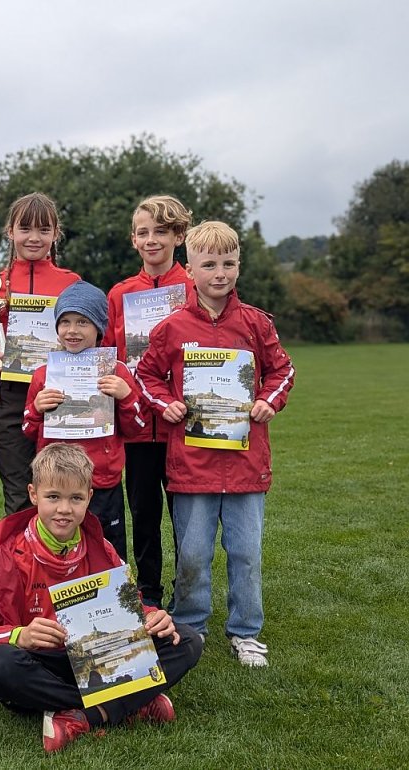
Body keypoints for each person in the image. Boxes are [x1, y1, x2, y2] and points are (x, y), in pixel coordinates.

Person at [0, 443, 203, 753]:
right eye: (53, 497)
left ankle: (82, 716)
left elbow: (129, 604)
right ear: (33, 494)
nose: (64, 509)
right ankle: (133, 701)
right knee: (0, 666)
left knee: (186, 640)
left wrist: (151, 616)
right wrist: (20, 635)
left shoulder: (101, 547)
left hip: (98, 654)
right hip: (45, 662)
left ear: (89, 497)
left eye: (75, 498)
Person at [136, 221, 295, 668]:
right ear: (190, 269)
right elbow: (146, 375)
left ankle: (246, 632)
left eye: (228, 263)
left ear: (239, 265)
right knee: (193, 553)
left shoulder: (256, 323)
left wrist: (267, 401)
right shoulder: (171, 328)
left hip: (247, 465)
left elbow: (283, 371)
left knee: (246, 553)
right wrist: (166, 404)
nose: (220, 273)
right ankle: (192, 626)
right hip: (192, 465)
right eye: (209, 264)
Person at [0, 192, 81, 514]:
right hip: (11, 397)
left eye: (44, 230)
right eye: (25, 228)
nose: (34, 238)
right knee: (18, 495)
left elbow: (88, 335)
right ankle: (22, 548)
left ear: (55, 234)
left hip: (59, 394)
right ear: (10, 231)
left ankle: (63, 548)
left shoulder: (71, 283)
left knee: (63, 489)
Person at [104, 194, 193, 608]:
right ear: (133, 240)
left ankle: (188, 595)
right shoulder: (120, 294)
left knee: (186, 517)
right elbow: (109, 353)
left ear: (179, 236)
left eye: (161, 231)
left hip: (182, 424)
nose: (152, 239)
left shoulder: (195, 287)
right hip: (138, 425)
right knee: (142, 514)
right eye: (143, 232)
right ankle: (149, 594)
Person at [22, 281, 147, 561]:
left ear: (99, 327)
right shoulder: (43, 374)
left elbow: (136, 428)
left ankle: (114, 589)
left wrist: (126, 397)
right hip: (57, 483)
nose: (72, 330)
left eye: (82, 322)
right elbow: (28, 430)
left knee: (108, 551)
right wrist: (36, 409)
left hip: (102, 482)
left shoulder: (116, 371)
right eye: (65, 322)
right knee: (57, 550)